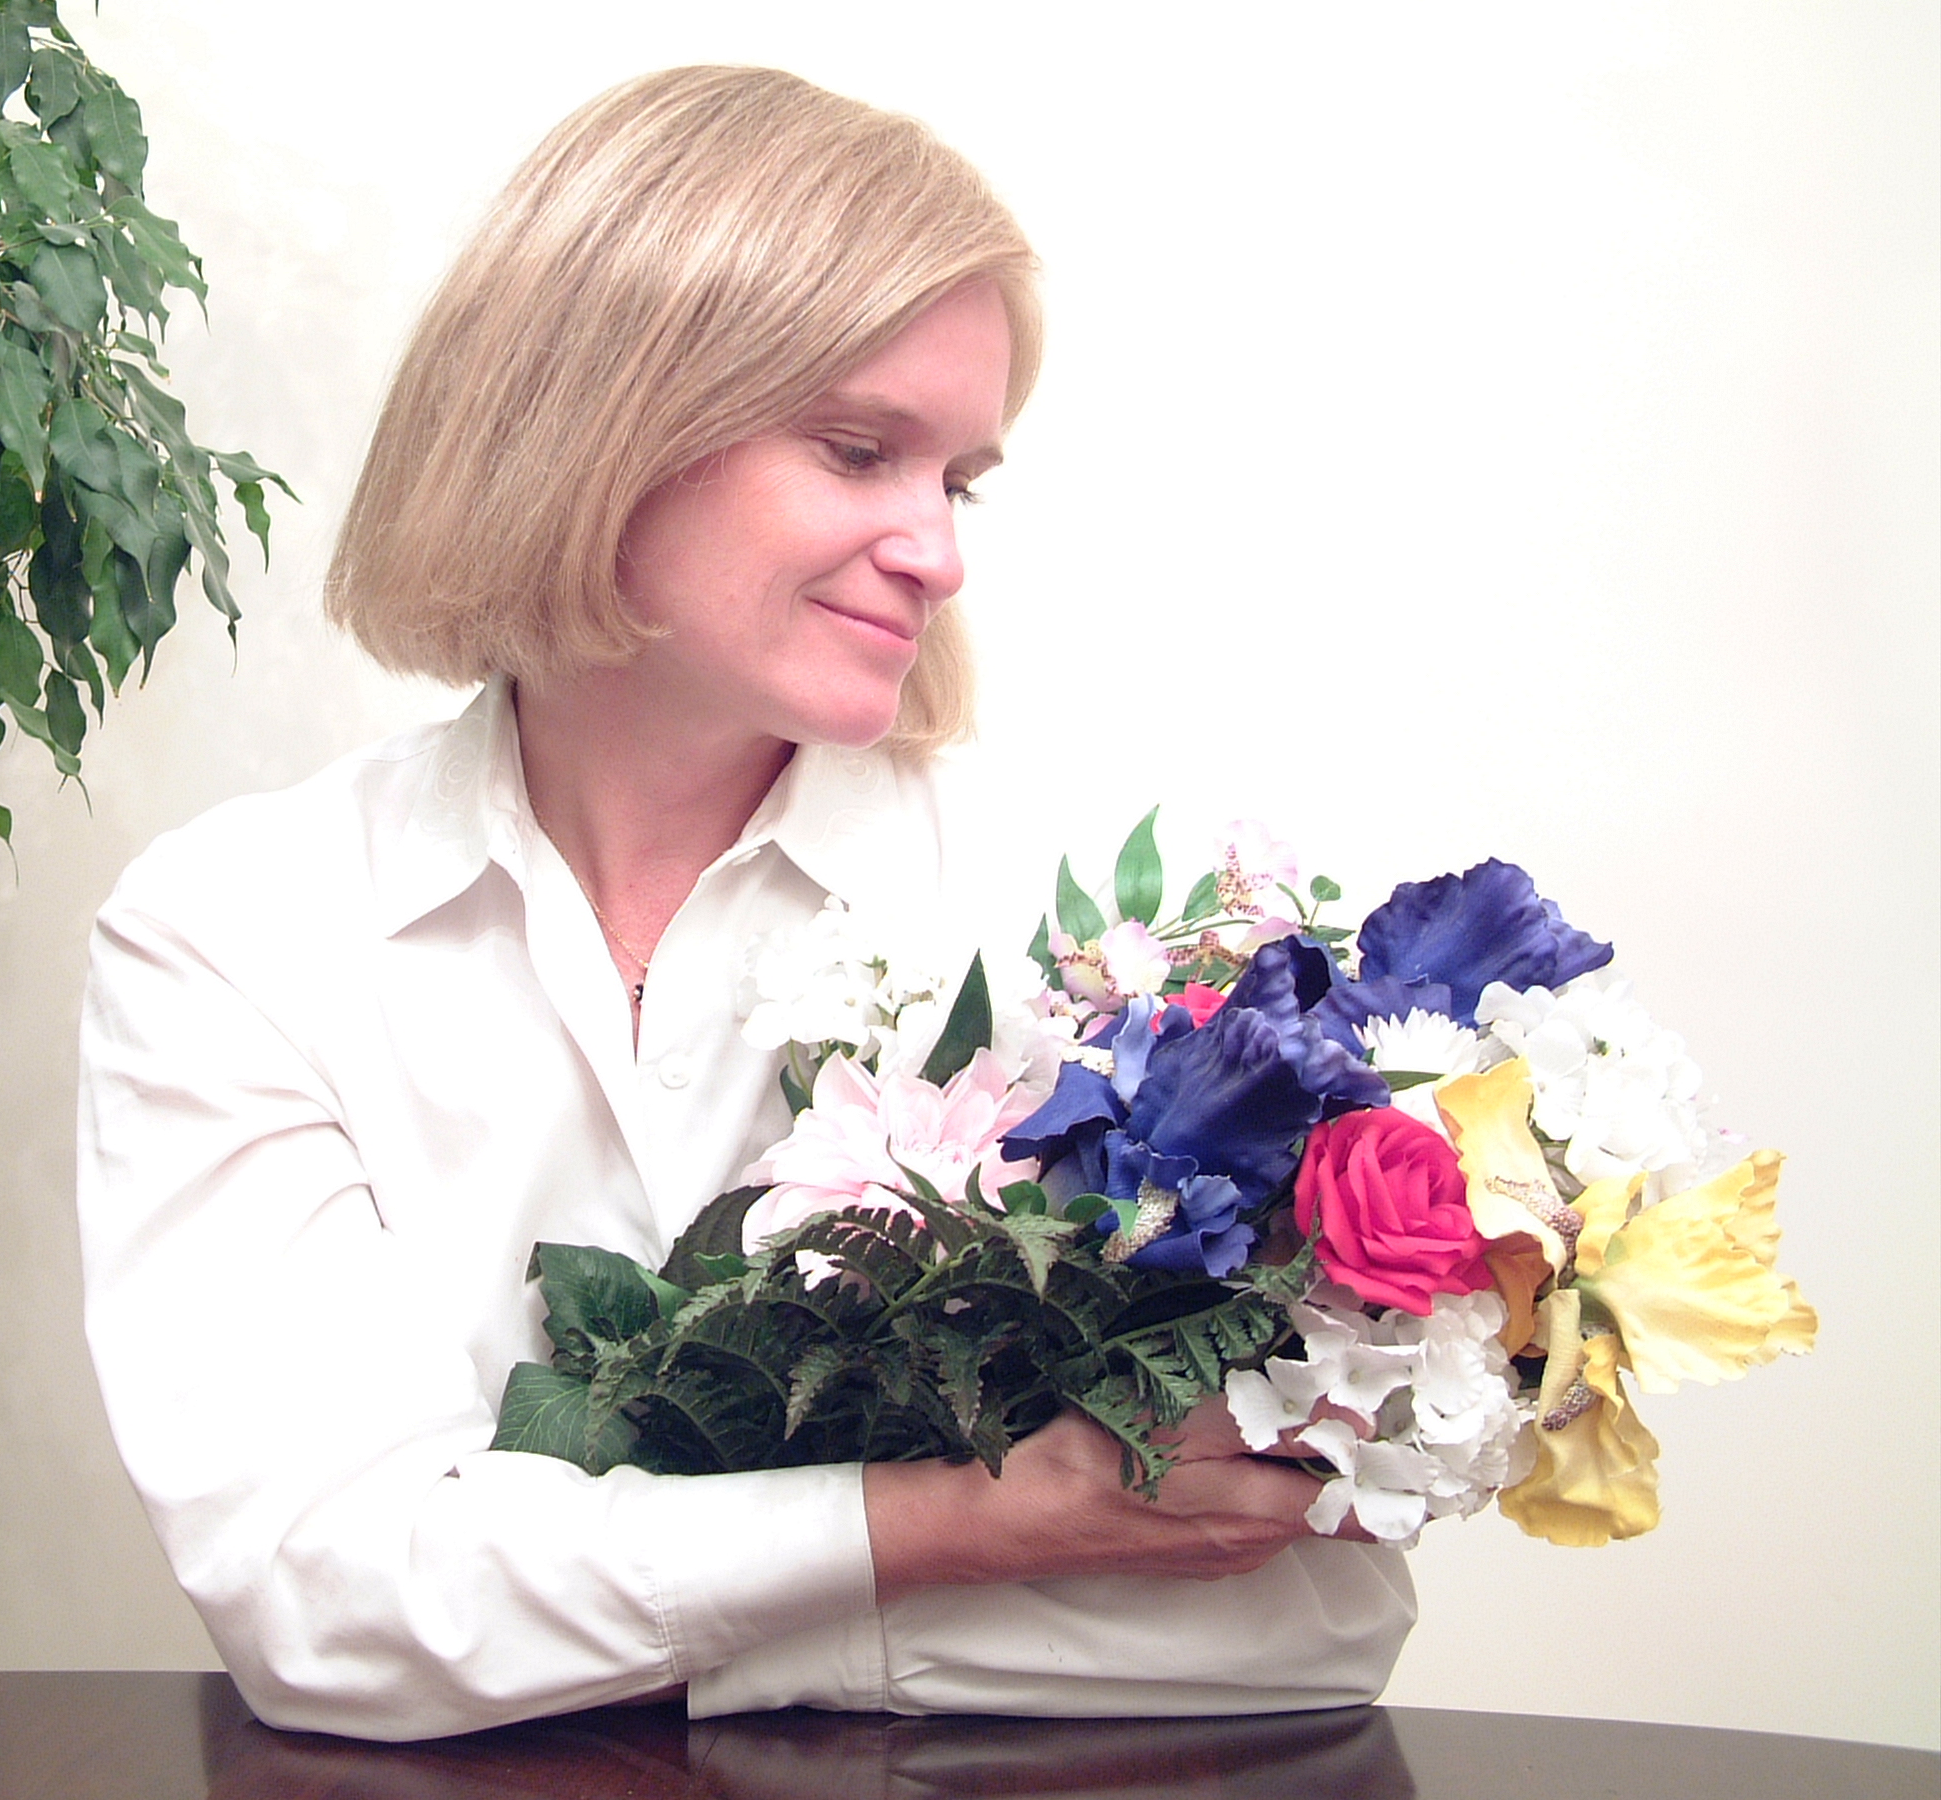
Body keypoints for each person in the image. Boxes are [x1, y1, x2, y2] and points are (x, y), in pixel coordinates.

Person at [76, 65, 1414, 1743]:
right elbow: (324, 1602)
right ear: (600, 426)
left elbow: (1308, 1614)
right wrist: (961, 1528)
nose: (939, 553)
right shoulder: (238, 932)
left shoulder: (1092, 934)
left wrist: (597, 1631)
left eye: (959, 479)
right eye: (859, 451)